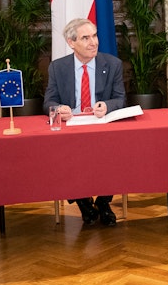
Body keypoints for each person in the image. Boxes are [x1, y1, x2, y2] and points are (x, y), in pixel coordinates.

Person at [43, 18, 126, 227]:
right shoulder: (58, 67)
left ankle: (104, 202)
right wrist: (59, 109)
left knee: (115, 153)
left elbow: (120, 99)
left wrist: (107, 106)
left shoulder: (112, 64)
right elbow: (48, 102)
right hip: (72, 131)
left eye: (95, 36)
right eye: (86, 38)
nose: (94, 42)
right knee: (68, 155)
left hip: (102, 128)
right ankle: (82, 200)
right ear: (72, 43)